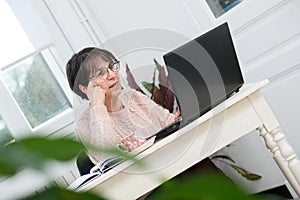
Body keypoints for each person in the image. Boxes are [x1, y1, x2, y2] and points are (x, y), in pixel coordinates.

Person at [66, 47, 178, 164]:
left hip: (170, 159)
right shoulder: (83, 125)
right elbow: (108, 155)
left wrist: (179, 118)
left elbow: (169, 123)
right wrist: (97, 105)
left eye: (111, 67)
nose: (112, 75)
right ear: (84, 88)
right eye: (100, 73)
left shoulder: (133, 97)